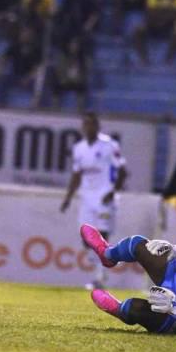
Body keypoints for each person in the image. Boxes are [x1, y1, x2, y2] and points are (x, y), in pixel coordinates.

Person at [60, 112, 127, 290]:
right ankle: (103, 265)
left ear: (98, 127)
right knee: (86, 238)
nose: (89, 127)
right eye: (86, 124)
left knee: (102, 236)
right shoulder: (79, 148)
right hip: (86, 198)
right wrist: (68, 198)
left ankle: (100, 277)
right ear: (82, 127)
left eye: (92, 124)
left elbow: (122, 171)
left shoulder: (109, 145)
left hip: (105, 197)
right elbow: (76, 174)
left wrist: (113, 192)